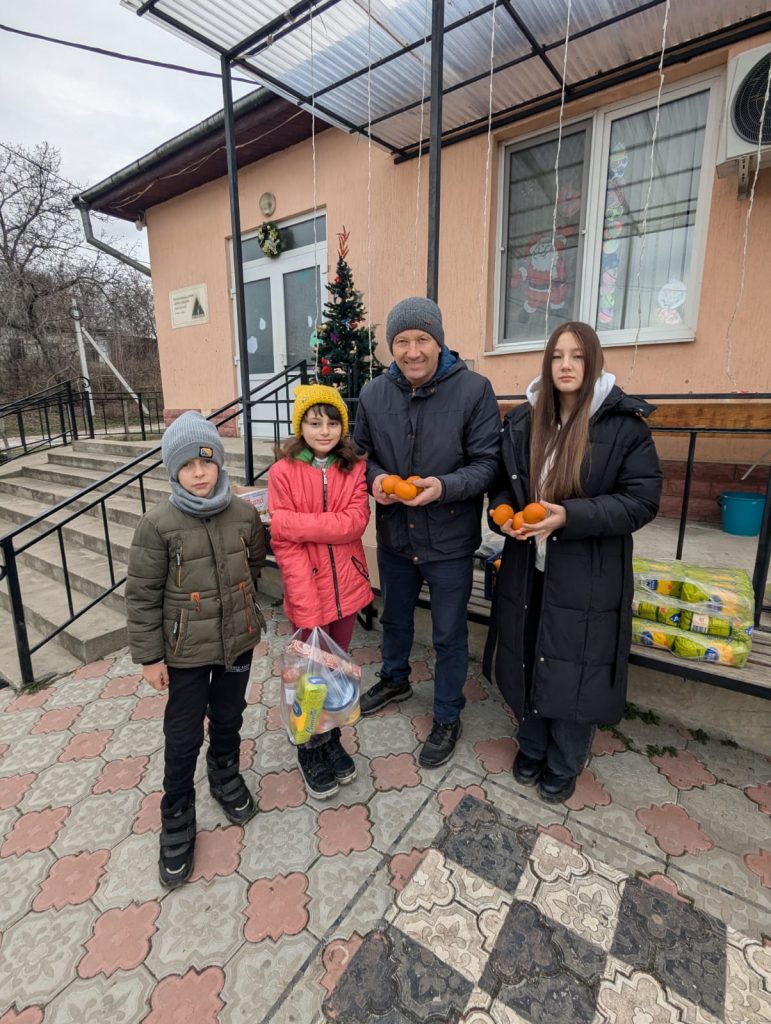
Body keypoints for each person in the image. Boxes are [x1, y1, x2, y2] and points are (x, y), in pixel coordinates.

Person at [483, 321, 661, 803]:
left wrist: (569, 515)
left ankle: (565, 758)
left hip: (589, 570)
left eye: (577, 356)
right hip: (529, 563)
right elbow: (503, 482)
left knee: (576, 665)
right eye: (558, 355)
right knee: (529, 652)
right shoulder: (524, 420)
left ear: (594, 362)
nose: (565, 365)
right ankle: (533, 742)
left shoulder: (622, 425)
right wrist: (502, 514)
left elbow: (642, 501)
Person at [353, 297, 501, 768]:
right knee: (394, 619)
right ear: (390, 346)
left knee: (448, 635)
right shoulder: (375, 394)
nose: (412, 351)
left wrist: (443, 487)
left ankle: (446, 714)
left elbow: (488, 465)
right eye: (402, 341)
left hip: (449, 542)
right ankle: (395, 678)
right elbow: (361, 455)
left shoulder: (474, 390)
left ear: (438, 341)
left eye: (422, 340)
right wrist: (375, 479)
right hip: (396, 537)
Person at [126, 411, 266, 887]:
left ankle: (225, 774)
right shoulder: (157, 525)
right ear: (174, 470)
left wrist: (244, 606)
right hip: (185, 653)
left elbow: (254, 560)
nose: (200, 473)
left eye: (207, 462)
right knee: (183, 735)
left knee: (229, 716)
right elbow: (142, 595)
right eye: (189, 466)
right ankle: (178, 811)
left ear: (219, 462)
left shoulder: (244, 513)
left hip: (238, 642)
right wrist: (149, 657)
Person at [268, 384, 373, 799]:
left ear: (342, 428)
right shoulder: (283, 472)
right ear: (301, 426)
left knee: (337, 670)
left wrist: (298, 523)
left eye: (332, 423)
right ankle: (308, 745)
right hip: (306, 593)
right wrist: (306, 605)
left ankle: (331, 740)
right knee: (308, 679)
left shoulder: (354, 469)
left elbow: (354, 524)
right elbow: (282, 540)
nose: (324, 431)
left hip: (346, 588)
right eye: (314, 422)